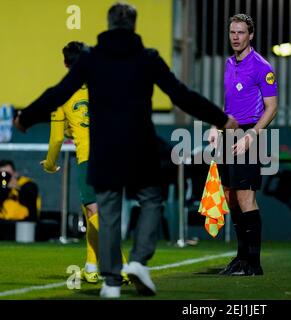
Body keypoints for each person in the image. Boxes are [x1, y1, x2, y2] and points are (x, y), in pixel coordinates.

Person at [14, 2, 237, 298]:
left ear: (108, 25)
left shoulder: (91, 59)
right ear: (134, 25)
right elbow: (181, 95)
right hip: (139, 144)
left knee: (107, 212)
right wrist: (221, 119)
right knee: (151, 200)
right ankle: (139, 261)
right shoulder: (148, 58)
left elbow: (58, 93)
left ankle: (111, 282)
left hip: (103, 148)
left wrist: (25, 118)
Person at [40, 41, 129, 285]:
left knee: (94, 212)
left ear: (65, 63)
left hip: (89, 158)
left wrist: (49, 164)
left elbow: (57, 137)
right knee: (92, 213)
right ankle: (91, 267)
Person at [208, 14, 278, 276]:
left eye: (240, 32)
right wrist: (217, 127)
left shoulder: (262, 67)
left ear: (251, 35)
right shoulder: (228, 63)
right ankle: (240, 258)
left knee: (246, 197)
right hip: (229, 134)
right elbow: (228, 105)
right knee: (231, 199)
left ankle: (253, 263)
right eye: (232, 32)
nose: (235, 37)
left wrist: (253, 136)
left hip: (250, 134)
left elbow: (272, 109)